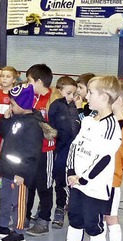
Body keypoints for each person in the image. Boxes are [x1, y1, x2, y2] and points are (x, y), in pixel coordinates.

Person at [42, 76, 123, 241]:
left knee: (93, 225)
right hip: (77, 182)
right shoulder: (87, 120)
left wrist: (84, 178)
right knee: (75, 219)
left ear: (104, 97)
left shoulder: (111, 126)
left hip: (94, 186)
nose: (87, 96)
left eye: (92, 93)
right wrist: (70, 172)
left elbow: (104, 157)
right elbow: (75, 147)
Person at [77, 79, 123, 241]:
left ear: (115, 99)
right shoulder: (102, 121)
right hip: (98, 179)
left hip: (111, 180)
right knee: (97, 216)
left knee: (110, 218)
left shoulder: (120, 125)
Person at [0, 83, 53, 241]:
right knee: (5, 199)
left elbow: (31, 153)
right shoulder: (16, 117)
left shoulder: (32, 124)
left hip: (19, 173)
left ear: (23, 104)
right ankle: (3, 226)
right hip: (8, 169)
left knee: (18, 202)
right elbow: (4, 133)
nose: (11, 106)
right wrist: (5, 119)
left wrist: (22, 174)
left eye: (13, 104)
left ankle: (18, 231)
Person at [25, 64, 56, 237]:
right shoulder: (32, 97)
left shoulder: (53, 99)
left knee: (44, 186)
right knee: (29, 185)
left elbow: (57, 127)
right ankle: (26, 216)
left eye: (30, 81)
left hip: (47, 150)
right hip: (31, 150)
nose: (28, 84)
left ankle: (44, 219)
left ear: (38, 81)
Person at [47, 76, 80, 229]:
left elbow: (73, 131)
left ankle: (60, 208)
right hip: (51, 150)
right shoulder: (52, 105)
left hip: (65, 151)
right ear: (59, 91)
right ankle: (43, 208)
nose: (71, 97)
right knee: (46, 181)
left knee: (61, 182)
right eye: (69, 93)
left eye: (74, 94)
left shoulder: (72, 108)